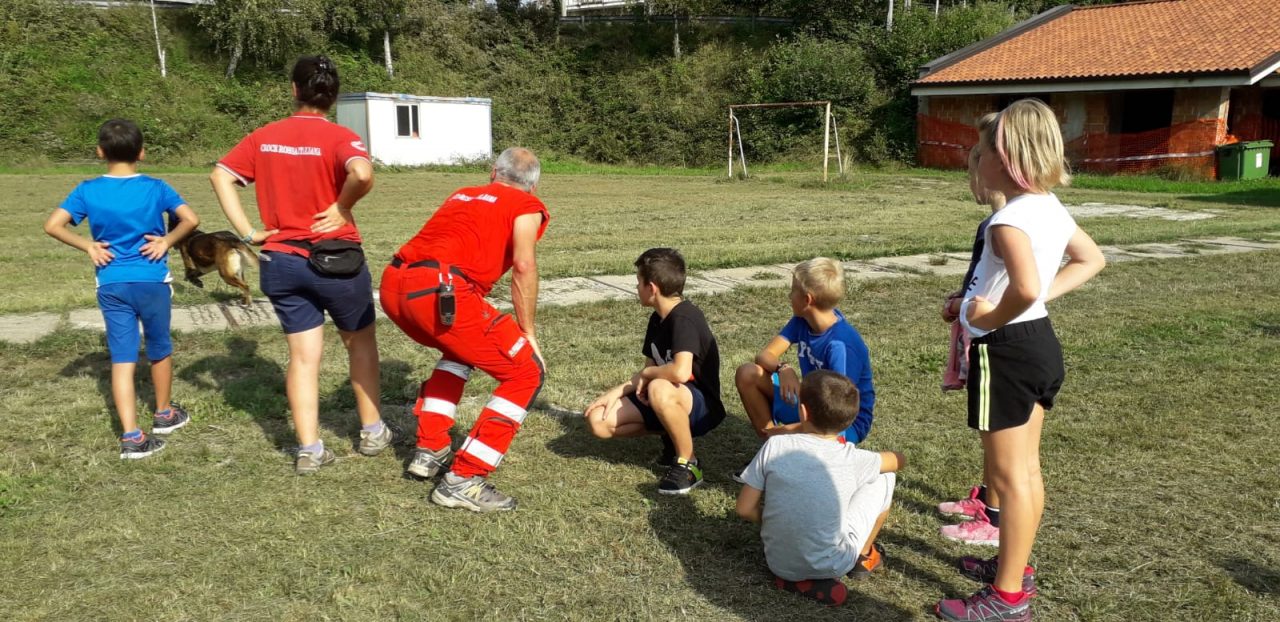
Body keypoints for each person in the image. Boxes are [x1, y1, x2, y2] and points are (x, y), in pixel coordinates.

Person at [935, 99, 1105, 622]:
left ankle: (1006, 600)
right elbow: (1090, 258)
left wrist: (987, 318)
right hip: (1038, 346)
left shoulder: (1007, 220)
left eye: (981, 151)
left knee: (1009, 480)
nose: (975, 159)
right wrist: (1029, 303)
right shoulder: (1049, 205)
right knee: (1025, 473)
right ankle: (1015, 568)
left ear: (1003, 159)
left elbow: (1025, 285)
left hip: (1006, 352)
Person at [209, 55, 387, 475]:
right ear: (334, 95)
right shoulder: (342, 137)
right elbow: (361, 173)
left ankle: (309, 448)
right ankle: (372, 430)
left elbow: (220, 175)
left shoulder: (263, 137)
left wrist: (248, 232)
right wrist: (342, 206)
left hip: (281, 261)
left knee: (303, 358)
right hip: (337, 261)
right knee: (359, 344)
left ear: (293, 89)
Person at [379, 147, 549, 513]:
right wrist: (528, 331)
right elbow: (523, 263)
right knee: (526, 372)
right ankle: (464, 478)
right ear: (533, 186)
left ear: (493, 172)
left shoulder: (462, 193)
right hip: (441, 292)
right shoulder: (527, 206)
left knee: (460, 350)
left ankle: (430, 447)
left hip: (394, 285)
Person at [43, 118, 198, 459]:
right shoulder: (157, 188)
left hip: (111, 283)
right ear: (142, 153)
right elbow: (192, 219)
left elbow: (52, 225)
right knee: (159, 346)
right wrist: (167, 241)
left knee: (123, 357)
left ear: (100, 152)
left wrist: (88, 246)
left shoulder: (87, 190)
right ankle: (164, 414)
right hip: (152, 281)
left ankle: (131, 436)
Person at [736, 371, 904, 607]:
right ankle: (863, 556)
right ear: (850, 419)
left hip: (777, 561)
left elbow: (744, 509)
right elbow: (898, 460)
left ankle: (796, 578)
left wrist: (774, 522)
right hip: (834, 562)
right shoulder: (854, 458)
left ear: (802, 412)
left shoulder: (774, 445)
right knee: (885, 476)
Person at [583, 248, 726, 495]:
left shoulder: (685, 317)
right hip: (668, 397)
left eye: (638, 282)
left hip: (701, 405)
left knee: (658, 386)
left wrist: (650, 377)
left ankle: (688, 463)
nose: (636, 288)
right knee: (598, 421)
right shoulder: (656, 319)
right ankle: (673, 435)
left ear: (652, 287)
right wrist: (614, 393)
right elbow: (649, 369)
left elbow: (680, 373)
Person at [937, 113, 1009, 545]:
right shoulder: (994, 224)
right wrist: (961, 297)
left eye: (972, 172)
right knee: (987, 430)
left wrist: (966, 306)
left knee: (995, 430)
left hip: (995, 340)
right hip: (982, 331)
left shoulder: (1004, 226)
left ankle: (995, 517)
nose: (970, 183)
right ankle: (987, 497)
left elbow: (1015, 288)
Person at [733, 257, 875, 454]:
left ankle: (782, 450)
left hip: (843, 423)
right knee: (748, 373)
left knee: (783, 435)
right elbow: (765, 355)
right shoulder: (802, 321)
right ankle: (770, 453)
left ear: (807, 300)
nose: (789, 296)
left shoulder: (841, 345)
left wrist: (786, 431)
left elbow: (836, 410)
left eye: (792, 291)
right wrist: (784, 369)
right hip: (810, 405)